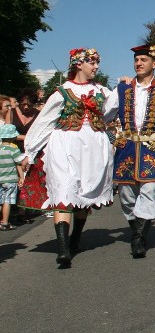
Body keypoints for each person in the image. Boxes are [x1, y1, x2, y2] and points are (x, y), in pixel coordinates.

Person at [22, 48, 113, 267]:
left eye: (97, 62)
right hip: (64, 146)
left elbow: (117, 110)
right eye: (92, 62)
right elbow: (44, 122)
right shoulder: (62, 92)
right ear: (78, 64)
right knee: (64, 191)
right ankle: (63, 250)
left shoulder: (103, 91)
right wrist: (30, 151)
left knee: (82, 196)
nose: (96, 66)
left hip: (92, 150)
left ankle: (75, 239)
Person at [103, 22, 155, 258]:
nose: (138, 63)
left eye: (143, 60)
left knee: (149, 190)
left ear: (154, 63)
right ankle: (136, 228)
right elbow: (104, 114)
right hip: (127, 147)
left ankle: (138, 239)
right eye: (136, 60)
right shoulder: (122, 89)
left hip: (152, 147)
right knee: (127, 196)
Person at [7, 88, 47, 223]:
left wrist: (23, 138)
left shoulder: (38, 114)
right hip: (13, 149)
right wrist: (26, 137)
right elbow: (7, 134)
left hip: (31, 151)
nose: (25, 107)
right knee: (13, 179)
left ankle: (22, 210)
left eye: (29, 105)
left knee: (27, 179)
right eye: (23, 104)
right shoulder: (11, 113)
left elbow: (41, 134)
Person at [0, 124, 25, 231]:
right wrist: (21, 177)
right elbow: (19, 163)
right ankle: (5, 222)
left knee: (0, 200)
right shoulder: (13, 149)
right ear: (12, 137)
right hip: (10, 179)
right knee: (7, 200)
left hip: (0, 179)